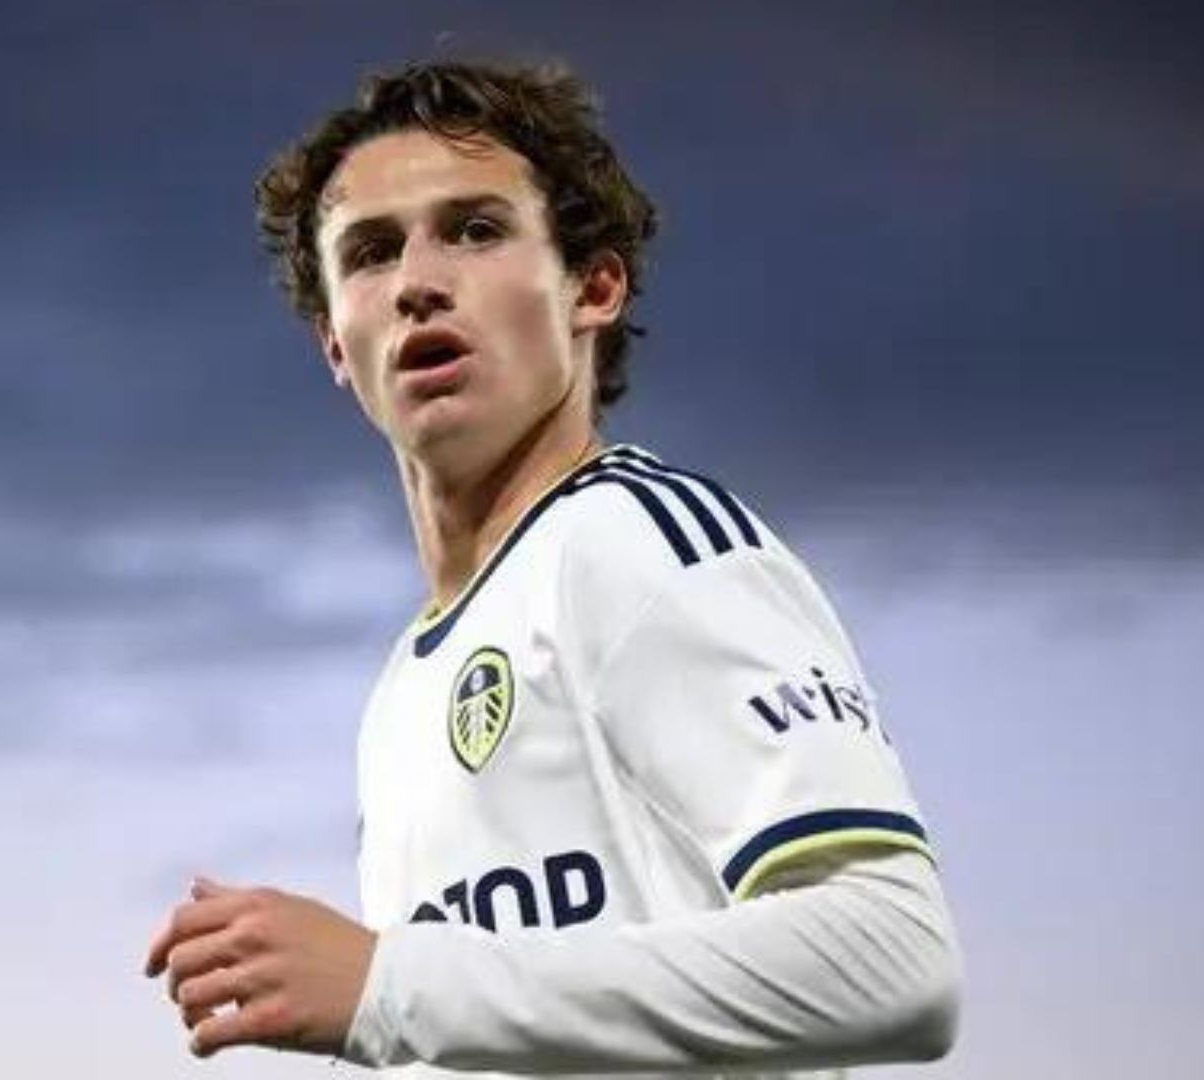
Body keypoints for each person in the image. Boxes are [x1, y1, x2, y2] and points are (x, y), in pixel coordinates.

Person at [144, 60, 961, 1077]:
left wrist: (389, 985)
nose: (417, 283)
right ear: (335, 348)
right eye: (371, 252)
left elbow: (894, 958)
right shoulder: (403, 689)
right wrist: (392, 997)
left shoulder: (637, 541)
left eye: (475, 230)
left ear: (594, 287)